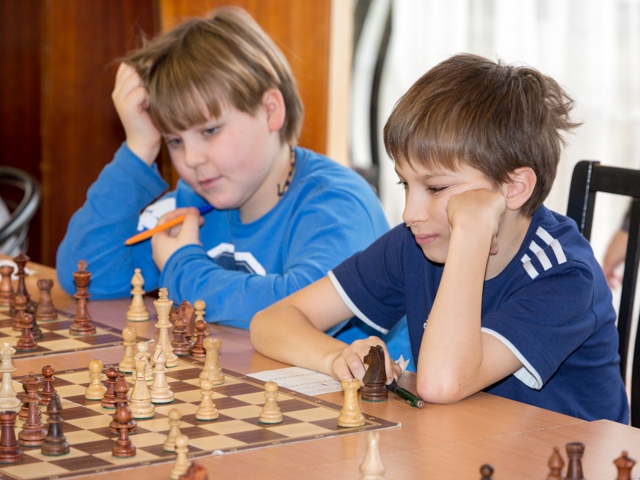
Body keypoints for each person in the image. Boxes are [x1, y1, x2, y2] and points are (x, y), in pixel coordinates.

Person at [250, 53, 630, 423]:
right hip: (465, 444)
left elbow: (441, 383)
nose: (409, 213)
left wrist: (472, 232)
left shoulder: (564, 275)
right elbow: (271, 323)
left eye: (435, 188)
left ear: (513, 189)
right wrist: (336, 357)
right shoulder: (419, 242)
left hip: (561, 456)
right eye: (404, 184)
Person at [55, 7, 411, 362]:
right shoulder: (196, 198)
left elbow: (296, 313)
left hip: (363, 394)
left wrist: (182, 266)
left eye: (209, 130)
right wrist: (139, 149)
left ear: (271, 110)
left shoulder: (336, 204)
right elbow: (87, 278)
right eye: (174, 140)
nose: (191, 158)